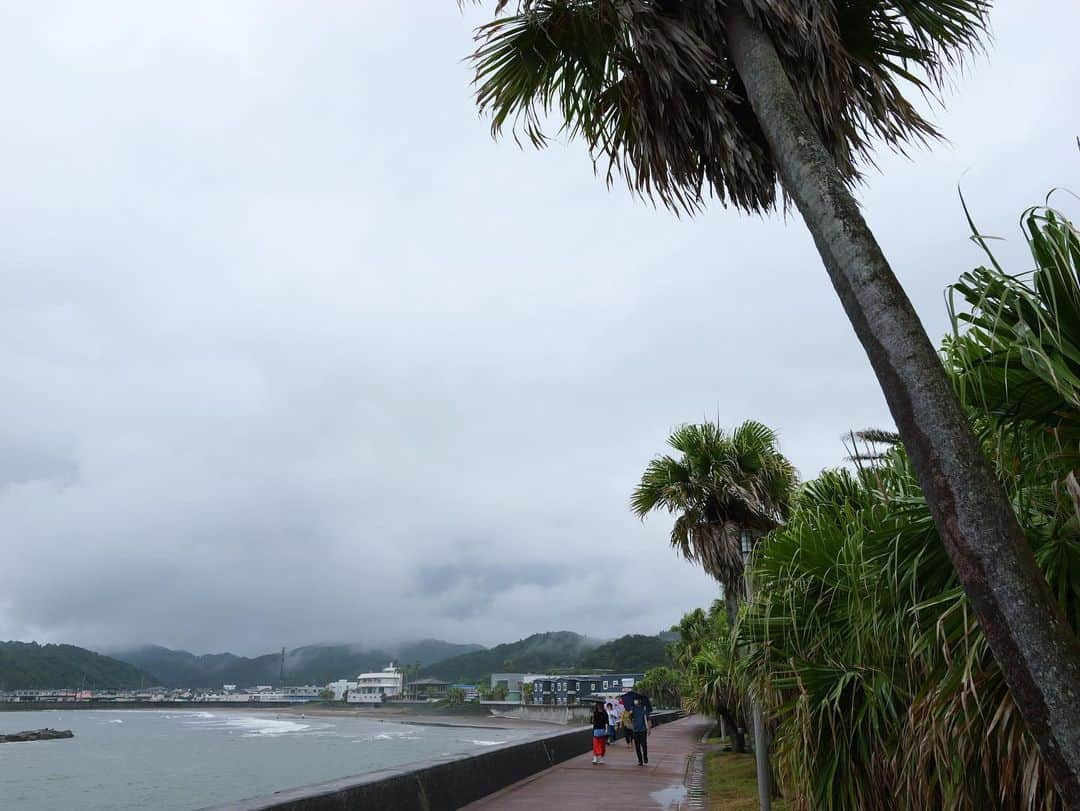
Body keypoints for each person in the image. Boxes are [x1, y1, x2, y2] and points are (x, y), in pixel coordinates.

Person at [629, 695, 652, 766]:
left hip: (643, 729)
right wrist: (630, 714)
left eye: (636, 700)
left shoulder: (644, 709)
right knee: (637, 746)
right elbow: (630, 719)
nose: (635, 701)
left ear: (640, 701)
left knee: (644, 745)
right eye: (635, 700)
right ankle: (640, 760)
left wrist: (649, 729)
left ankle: (645, 756)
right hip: (635, 730)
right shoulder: (632, 708)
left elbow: (648, 719)